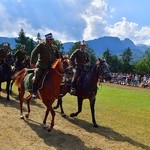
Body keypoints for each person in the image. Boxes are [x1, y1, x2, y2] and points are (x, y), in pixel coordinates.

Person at [30, 33, 61, 98]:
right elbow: (34, 53)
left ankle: (57, 92)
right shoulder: (41, 45)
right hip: (42, 65)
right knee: (37, 75)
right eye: (50, 39)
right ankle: (34, 92)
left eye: (52, 39)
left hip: (51, 66)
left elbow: (58, 56)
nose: (51, 40)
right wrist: (32, 62)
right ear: (47, 39)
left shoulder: (54, 47)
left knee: (59, 76)